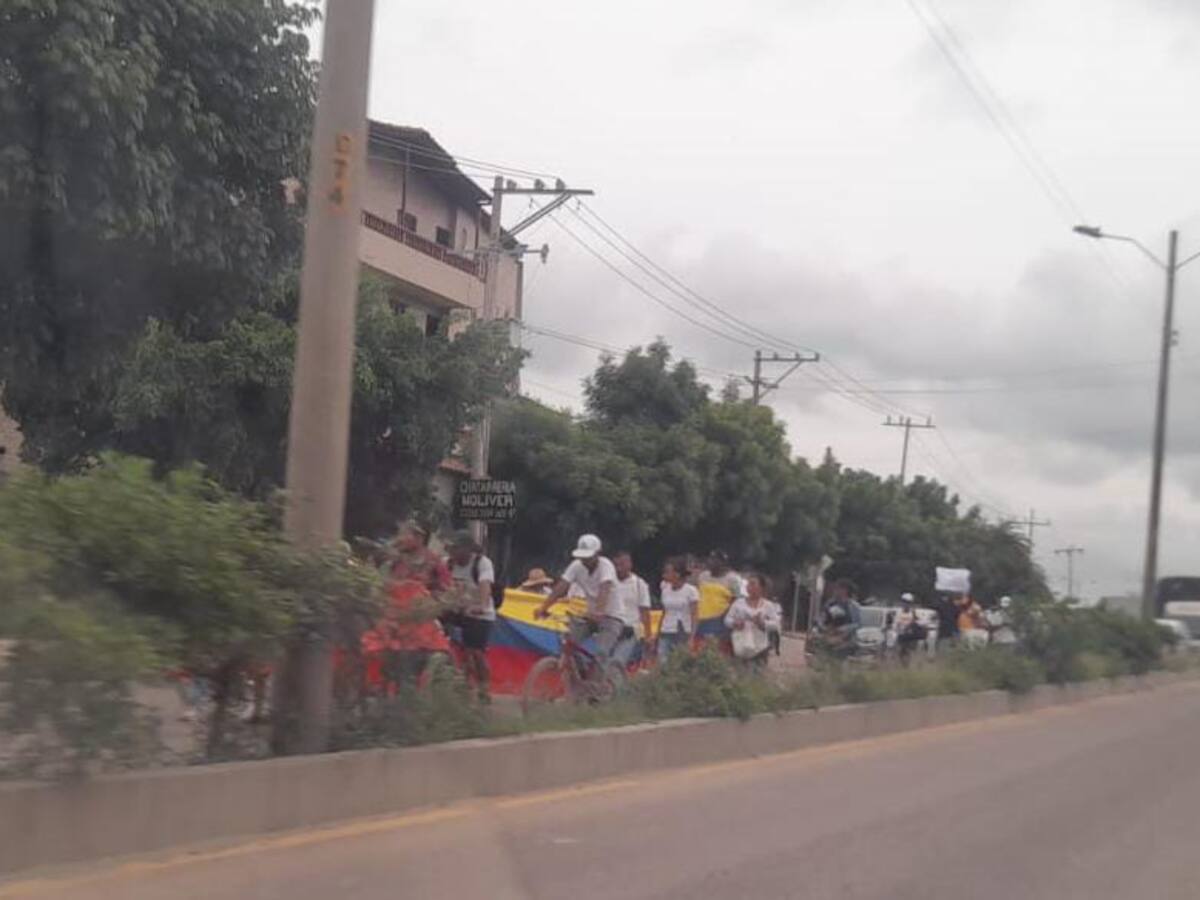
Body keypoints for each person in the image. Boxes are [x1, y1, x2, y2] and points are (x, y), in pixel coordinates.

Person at [363, 522, 452, 690]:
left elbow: (445, 591)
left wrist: (428, 603)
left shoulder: (434, 562)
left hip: (420, 625)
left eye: (404, 534)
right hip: (393, 621)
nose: (400, 539)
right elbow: (383, 584)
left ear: (419, 538)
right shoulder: (395, 561)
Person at [535, 534, 624, 662]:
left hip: (612, 617)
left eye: (588, 557)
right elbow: (561, 587)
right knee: (569, 644)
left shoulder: (606, 566)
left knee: (601, 653)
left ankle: (598, 681)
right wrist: (544, 607)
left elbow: (604, 589)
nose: (584, 560)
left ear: (597, 553)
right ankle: (575, 677)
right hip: (590, 615)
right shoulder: (576, 566)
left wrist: (599, 612)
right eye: (582, 557)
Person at [445, 531, 496, 701]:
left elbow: (485, 585)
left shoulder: (482, 563)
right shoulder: (447, 564)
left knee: (475, 651)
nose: (453, 553)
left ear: (468, 550)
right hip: (456, 610)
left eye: (457, 549)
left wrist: (481, 605)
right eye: (451, 549)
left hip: (480, 614)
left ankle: (484, 687)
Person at [724, 572, 779, 670]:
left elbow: (776, 624)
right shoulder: (738, 603)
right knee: (740, 675)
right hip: (740, 646)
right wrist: (735, 623)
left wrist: (762, 623)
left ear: (761, 588)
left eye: (753, 584)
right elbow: (727, 620)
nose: (749, 587)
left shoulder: (768, 605)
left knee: (757, 677)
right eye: (748, 584)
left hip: (760, 648)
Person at [611, 550, 653, 668]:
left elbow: (645, 612)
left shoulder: (639, 584)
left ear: (630, 564)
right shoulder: (609, 583)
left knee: (617, 662)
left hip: (631, 631)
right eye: (616, 565)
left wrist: (648, 636)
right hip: (611, 630)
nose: (619, 568)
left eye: (622, 564)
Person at [657, 556, 700, 663]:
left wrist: (692, 637)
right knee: (662, 660)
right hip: (666, 629)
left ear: (677, 574)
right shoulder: (665, 589)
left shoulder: (691, 591)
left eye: (668, 572)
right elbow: (664, 612)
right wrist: (658, 631)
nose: (665, 575)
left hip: (682, 630)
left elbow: (694, 615)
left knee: (680, 661)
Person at [893, 592, 927, 660]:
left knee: (910, 653)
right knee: (900, 653)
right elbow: (895, 625)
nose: (906, 604)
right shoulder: (898, 612)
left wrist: (914, 623)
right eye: (904, 602)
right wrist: (898, 630)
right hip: (901, 636)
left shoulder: (914, 613)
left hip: (911, 637)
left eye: (908, 602)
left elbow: (923, 622)